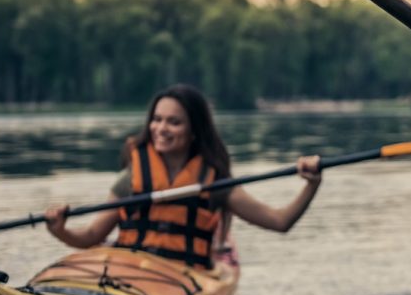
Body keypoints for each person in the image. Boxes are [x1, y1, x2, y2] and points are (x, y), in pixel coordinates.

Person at [46, 84, 321, 269]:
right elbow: (91, 235)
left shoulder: (215, 184)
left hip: (183, 278)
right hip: (127, 272)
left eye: (174, 122)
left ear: (194, 130)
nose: (161, 128)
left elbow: (279, 221)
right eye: (157, 119)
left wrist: (311, 185)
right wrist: (60, 229)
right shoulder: (131, 179)